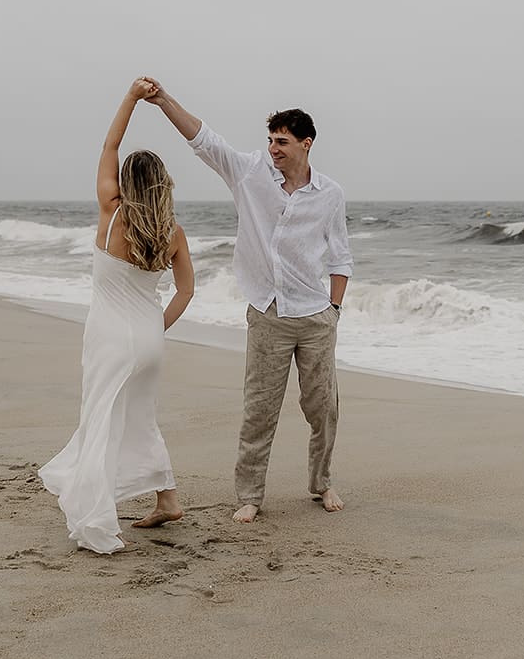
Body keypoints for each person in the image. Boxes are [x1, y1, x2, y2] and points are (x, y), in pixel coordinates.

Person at [143, 78, 351, 523]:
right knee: (259, 409)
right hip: (268, 313)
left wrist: (334, 311)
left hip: (316, 316)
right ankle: (250, 495)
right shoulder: (249, 172)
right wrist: (163, 101)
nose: (273, 148)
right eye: (271, 140)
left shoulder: (330, 194)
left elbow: (340, 256)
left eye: (282, 141)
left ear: (306, 143)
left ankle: (322, 482)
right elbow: (204, 139)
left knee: (323, 408)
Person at [38, 78, 196, 553]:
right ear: (164, 184)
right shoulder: (173, 232)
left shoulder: (112, 213)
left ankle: (98, 515)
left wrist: (130, 98)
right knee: (139, 419)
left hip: (109, 339)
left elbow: (111, 143)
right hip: (149, 342)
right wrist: (155, 328)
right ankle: (167, 499)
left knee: (101, 421)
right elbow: (187, 291)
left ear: (126, 183)